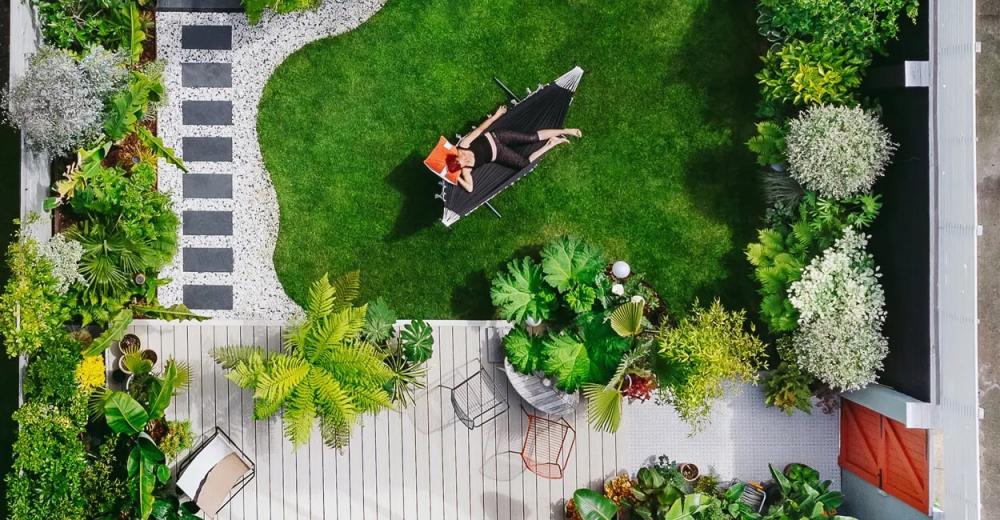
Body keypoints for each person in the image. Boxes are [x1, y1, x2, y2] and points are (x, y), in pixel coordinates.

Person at [447, 105, 582, 192]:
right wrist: (455, 177)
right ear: (460, 168)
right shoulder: (466, 171)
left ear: (457, 155)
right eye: (462, 163)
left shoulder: (464, 145)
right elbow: (470, 188)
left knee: (531, 138)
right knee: (523, 164)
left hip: (497, 137)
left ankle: (566, 131)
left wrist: (496, 115)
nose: (464, 159)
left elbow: (480, 129)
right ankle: (551, 143)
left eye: (460, 157)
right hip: (499, 154)